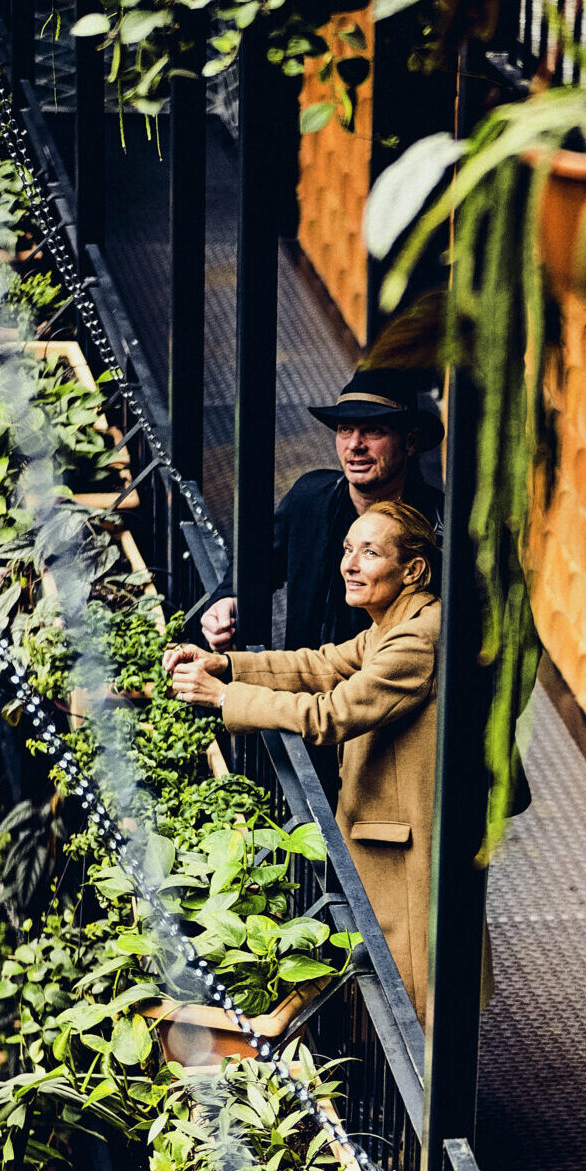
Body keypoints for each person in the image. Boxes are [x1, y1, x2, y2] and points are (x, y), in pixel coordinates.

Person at [165, 498, 445, 1024]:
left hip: (404, 852)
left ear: (413, 570)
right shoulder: (395, 623)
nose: (350, 564)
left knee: (417, 1004)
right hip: (381, 836)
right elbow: (322, 664)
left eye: (369, 552)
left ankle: (431, 1104)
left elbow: (330, 714)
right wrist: (226, 663)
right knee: (376, 980)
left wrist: (224, 698)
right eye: (347, 549)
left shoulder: (417, 638)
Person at [199, 360, 443, 655]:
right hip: (306, 685)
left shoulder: (438, 526)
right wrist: (229, 598)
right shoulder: (311, 497)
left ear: (410, 442)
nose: (355, 444)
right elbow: (258, 562)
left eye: (373, 430)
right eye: (345, 429)